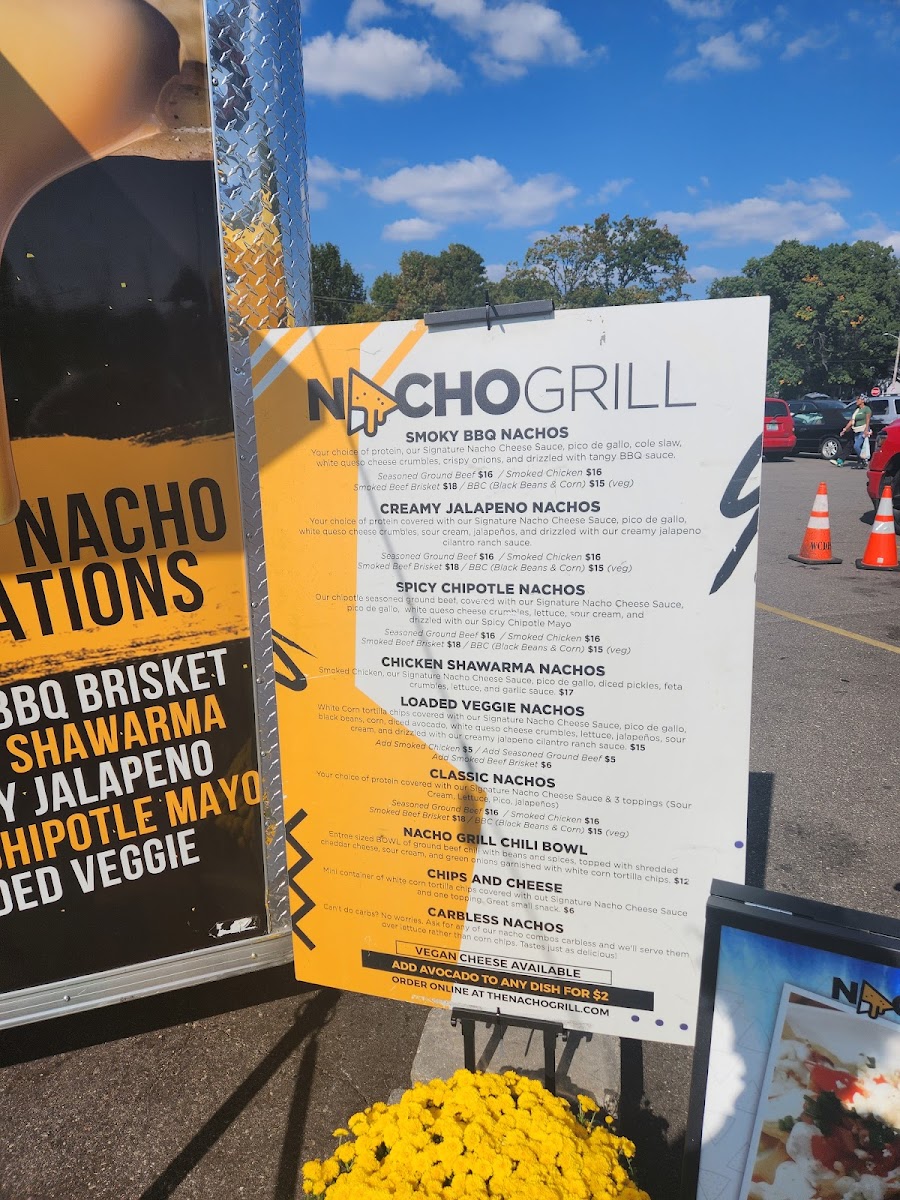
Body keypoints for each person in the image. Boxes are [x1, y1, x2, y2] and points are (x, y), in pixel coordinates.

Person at [841, 394, 871, 468]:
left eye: (858, 399)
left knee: (856, 446)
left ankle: (864, 459)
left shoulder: (867, 409)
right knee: (858, 447)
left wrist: (866, 430)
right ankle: (861, 462)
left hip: (863, 430)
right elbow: (852, 421)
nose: (856, 401)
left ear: (863, 401)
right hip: (856, 430)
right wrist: (845, 429)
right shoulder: (857, 410)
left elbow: (868, 420)